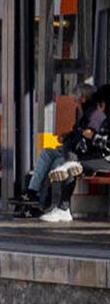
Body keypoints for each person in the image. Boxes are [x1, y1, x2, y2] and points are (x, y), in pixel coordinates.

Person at [31, 86, 110, 222]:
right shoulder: (100, 117)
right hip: (95, 156)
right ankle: (34, 195)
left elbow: (104, 142)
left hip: (102, 158)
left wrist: (93, 136)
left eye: (100, 104)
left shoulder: (95, 116)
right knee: (53, 157)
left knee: (67, 164)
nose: (99, 108)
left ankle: (58, 206)